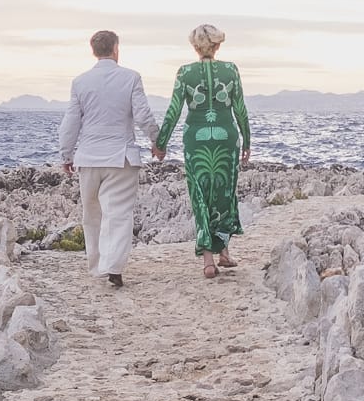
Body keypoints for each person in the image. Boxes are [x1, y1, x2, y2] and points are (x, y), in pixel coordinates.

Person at [58, 29, 159, 288]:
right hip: (120, 157)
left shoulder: (80, 82)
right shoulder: (131, 78)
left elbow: (71, 122)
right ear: (115, 49)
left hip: (89, 157)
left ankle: (98, 265)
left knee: (92, 215)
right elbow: (143, 116)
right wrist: (157, 142)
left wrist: (66, 153)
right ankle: (113, 266)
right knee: (119, 214)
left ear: (93, 51)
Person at [151, 23, 252, 280]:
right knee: (224, 192)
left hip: (196, 139)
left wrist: (160, 143)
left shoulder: (185, 73)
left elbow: (174, 111)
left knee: (200, 195)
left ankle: (208, 260)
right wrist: (247, 140)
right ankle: (225, 252)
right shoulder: (230, 70)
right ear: (217, 45)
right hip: (226, 137)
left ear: (195, 47)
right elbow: (240, 109)